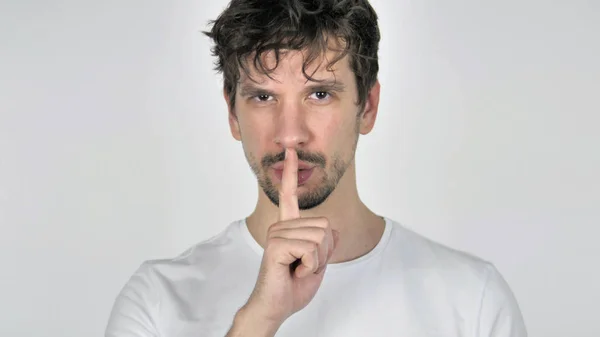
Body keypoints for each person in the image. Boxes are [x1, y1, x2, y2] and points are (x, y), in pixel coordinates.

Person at [105, 0, 527, 336]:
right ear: (232, 114)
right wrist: (258, 321)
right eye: (263, 98)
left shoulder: (473, 301)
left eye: (320, 94)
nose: (290, 135)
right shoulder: (159, 301)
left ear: (369, 107)